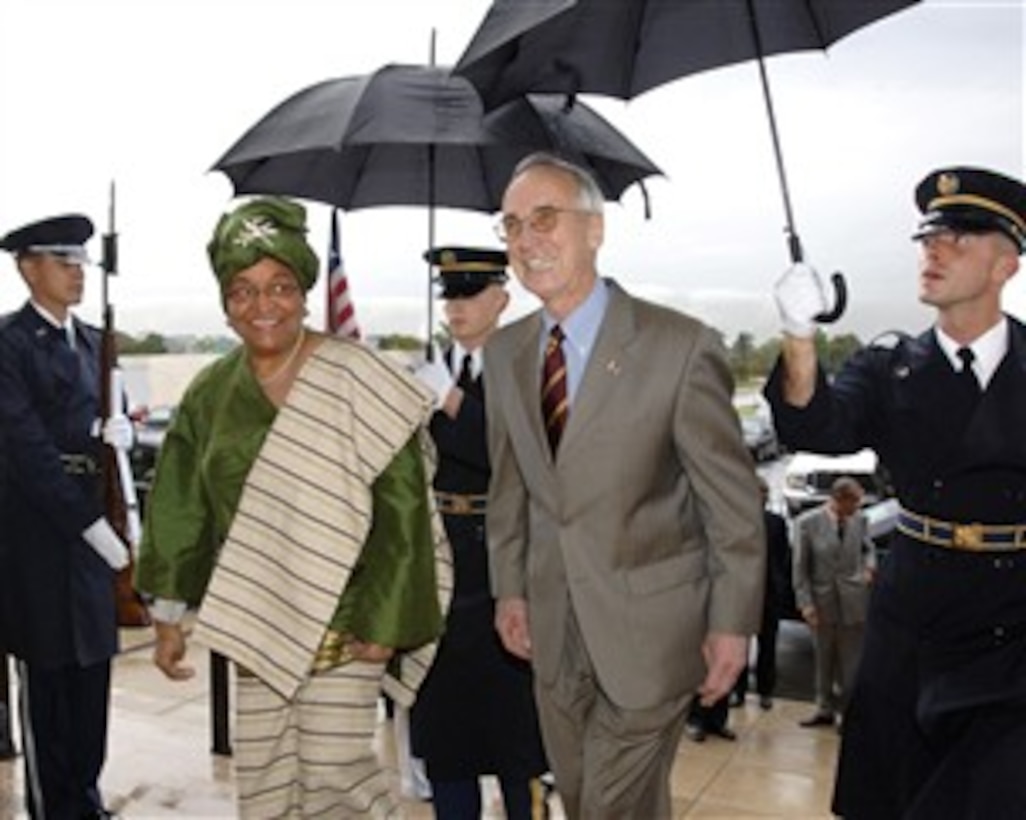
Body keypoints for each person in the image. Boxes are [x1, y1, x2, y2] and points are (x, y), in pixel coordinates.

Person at [134, 196, 451, 818]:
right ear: (225, 303)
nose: (263, 306)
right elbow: (181, 507)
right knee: (268, 781)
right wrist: (168, 614)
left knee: (338, 779)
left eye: (279, 286)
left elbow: (404, 510)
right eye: (243, 291)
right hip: (261, 619)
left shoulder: (358, 376)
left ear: (305, 291)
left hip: (350, 620)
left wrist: (386, 624)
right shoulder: (210, 394)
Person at [484, 151, 765, 820]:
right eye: (513, 225)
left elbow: (732, 505)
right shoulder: (504, 353)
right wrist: (512, 589)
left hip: (652, 633)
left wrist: (732, 624)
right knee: (598, 800)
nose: (527, 240)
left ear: (596, 228)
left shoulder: (680, 347)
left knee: (606, 806)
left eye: (545, 218)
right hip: (553, 631)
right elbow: (510, 489)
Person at [765, 165, 1026, 819]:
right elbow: (814, 422)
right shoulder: (888, 367)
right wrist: (800, 334)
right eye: (928, 237)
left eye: (960, 237)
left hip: (1013, 621)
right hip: (911, 616)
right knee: (891, 797)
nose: (933, 249)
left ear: (1006, 264)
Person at [0, 214, 134, 819]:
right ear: (28, 268)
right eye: (63, 260)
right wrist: (88, 524)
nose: (78, 271)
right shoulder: (7, 344)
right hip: (38, 540)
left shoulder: (94, 342)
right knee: (49, 690)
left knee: (92, 686)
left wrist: (118, 432)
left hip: (90, 534)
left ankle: (86, 798)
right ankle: (57, 809)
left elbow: (106, 422)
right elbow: (25, 450)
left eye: (81, 261)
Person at [410, 246, 550, 819]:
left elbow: (519, 455)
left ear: (501, 298)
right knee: (448, 743)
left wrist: (452, 402)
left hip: (506, 563)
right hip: (442, 563)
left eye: (469, 293)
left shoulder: (530, 365)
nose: (456, 306)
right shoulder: (430, 367)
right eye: (449, 294)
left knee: (517, 745)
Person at [790, 476, 876, 729]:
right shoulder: (807, 524)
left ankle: (845, 710)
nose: (858, 508)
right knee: (823, 659)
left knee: (850, 664)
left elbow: (867, 548)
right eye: (854, 502)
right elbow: (800, 568)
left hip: (854, 600)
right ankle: (823, 707)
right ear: (840, 500)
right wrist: (805, 604)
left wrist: (869, 569)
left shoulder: (860, 520)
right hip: (822, 601)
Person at [731, 475, 793, 711]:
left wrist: (782, 588)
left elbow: (783, 557)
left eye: (764, 495)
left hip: (769, 594)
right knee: (740, 646)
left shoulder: (776, 523)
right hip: (743, 595)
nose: (762, 500)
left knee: (768, 646)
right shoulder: (736, 522)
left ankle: (766, 692)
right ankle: (738, 690)